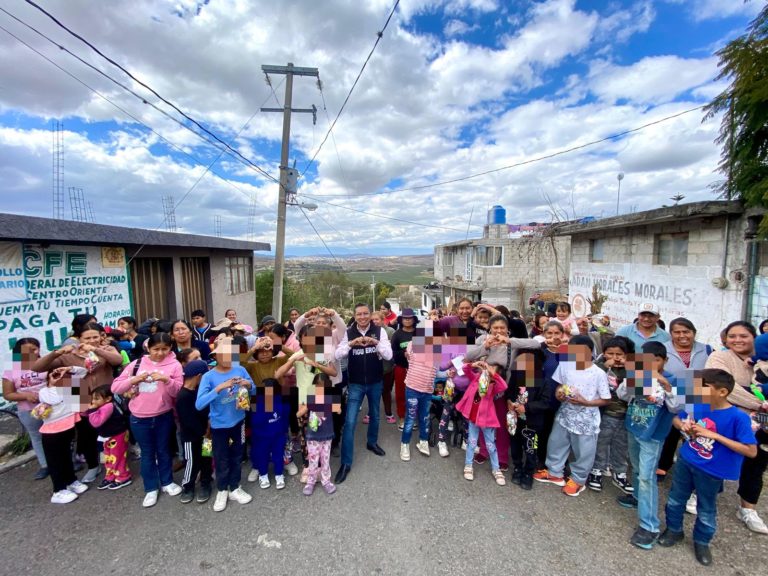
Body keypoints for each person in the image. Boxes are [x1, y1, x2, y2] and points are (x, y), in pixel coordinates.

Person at [658, 369, 758, 566]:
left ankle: (702, 541)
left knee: (706, 507)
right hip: (687, 460)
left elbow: (751, 451)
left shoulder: (738, 417)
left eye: (703, 386)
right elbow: (677, 418)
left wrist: (716, 436)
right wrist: (683, 426)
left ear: (722, 392)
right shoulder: (698, 404)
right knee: (676, 499)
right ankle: (673, 530)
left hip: (713, 470)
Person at [33, 322, 123, 484]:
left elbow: (117, 360)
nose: (92, 340)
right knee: (87, 435)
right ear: (78, 339)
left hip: (105, 397)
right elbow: (37, 368)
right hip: (79, 398)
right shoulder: (69, 354)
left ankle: (117, 462)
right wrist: (57, 353)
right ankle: (93, 466)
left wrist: (95, 349)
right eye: (87, 338)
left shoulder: (106, 349)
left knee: (113, 431)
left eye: (95, 337)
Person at [615, 342, 680, 549]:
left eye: (656, 361)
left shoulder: (673, 380)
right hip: (634, 427)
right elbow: (622, 395)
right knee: (634, 465)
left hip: (653, 435)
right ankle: (636, 497)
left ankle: (649, 525)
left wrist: (666, 386)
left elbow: (676, 407)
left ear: (664, 361)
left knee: (646, 476)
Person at [706, 321, 768, 535]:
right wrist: (761, 403)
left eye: (743, 336)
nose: (737, 340)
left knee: (756, 463)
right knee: (715, 456)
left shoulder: (761, 359)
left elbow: (732, 389)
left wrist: (744, 392)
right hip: (727, 418)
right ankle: (702, 496)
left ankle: (748, 509)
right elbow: (722, 388)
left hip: (763, 424)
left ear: (754, 337)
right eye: (732, 336)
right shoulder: (719, 358)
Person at [111, 332, 184, 507]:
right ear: (148, 348)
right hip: (139, 417)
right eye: (156, 349)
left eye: (164, 349)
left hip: (164, 414)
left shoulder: (174, 365)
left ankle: (167, 482)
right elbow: (116, 387)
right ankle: (151, 487)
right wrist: (134, 379)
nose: (160, 353)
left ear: (170, 348)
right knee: (147, 453)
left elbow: (179, 391)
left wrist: (166, 380)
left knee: (164, 450)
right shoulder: (136, 364)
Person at [534, 335, 611, 497]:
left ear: (590, 352)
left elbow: (606, 399)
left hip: (586, 420)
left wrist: (585, 402)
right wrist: (559, 395)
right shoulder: (566, 365)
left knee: (584, 450)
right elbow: (559, 386)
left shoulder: (598, 373)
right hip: (565, 414)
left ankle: (578, 479)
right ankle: (555, 472)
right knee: (556, 442)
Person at [465, 314, 540, 470]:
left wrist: (510, 341)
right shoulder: (482, 340)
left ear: (507, 329)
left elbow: (535, 343)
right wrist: (485, 346)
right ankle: (484, 451)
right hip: (483, 386)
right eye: (495, 328)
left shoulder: (512, 343)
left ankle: (502, 455)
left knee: (500, 423)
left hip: (502, 387)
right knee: (481, 420)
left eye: (502, 328)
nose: (498, 331)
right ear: (489, 328)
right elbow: (468, 357)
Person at [334, 303, 393, 484]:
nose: (362, 317)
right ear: (355, 315)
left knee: (375, 414)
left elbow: (389, 355)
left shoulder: (379, 331)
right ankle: (345, 463)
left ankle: (372, 442)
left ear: (370, 314)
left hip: (375, 381)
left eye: (365, 313)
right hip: (356, 383)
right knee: (350, 421)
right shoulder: (349, 332)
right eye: (359, 314)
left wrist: (376, 343)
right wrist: (351, 344)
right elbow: (338, 355)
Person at [195, 337, 255, 512]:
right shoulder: (208, 376)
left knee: (237, 456)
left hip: (239, 422)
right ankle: (222, 489)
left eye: (231, 354)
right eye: (224, 354)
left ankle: (235, 487)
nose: (228, 357)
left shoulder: (241, 369)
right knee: (221, 458)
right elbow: (199, 404)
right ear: (216, 356)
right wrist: (219, 388)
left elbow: (254, 389)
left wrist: (247, 384)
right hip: (219, 426)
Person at [275, 324, 338, 483]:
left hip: (321, 401)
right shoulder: (297, 354)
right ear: (301, 339)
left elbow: (334, 373)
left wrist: (316, 364)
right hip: (304, 403)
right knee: (306, 436)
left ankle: (322, 466)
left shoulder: (322, 354)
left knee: (322, 433)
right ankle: (307, 465)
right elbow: (278, 374)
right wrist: (293, 361)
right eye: (305, 337)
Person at [657, 318, 712, 482]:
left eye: (686, 331)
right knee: (669, 433)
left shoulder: (707, 350)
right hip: (671, 396)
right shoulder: (663, 350)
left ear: (693, 332)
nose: (682, 335)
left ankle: (695, 468)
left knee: (696, 434)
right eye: (677, 332)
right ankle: (663, 465)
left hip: (699, 398)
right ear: (671, 334)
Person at [399, 322, 452, 461]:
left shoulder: (437, 352)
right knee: (410, 419)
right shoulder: (413, 345)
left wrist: (448, 373)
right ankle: (404, 444)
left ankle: (423, 441)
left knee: (425, 417)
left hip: (427, 391)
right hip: (412, 388)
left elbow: (436, 373)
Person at [37, 365, 90, 503]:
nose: (61, 377)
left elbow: (84, 371)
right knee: (55, 461)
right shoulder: (44, 392)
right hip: (52, 431)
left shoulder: (71, 387)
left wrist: (69, 369)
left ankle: (71, 481)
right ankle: (58, 490)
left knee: (67, 457)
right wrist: (53, 382)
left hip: (68, 426)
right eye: (55, 374)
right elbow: (54, 399)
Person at [588, 337, 632, 494]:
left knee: (622, 444)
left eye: (619, 354)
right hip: (606, 412)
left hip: (626, 414)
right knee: (602, 442)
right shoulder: (598, 366)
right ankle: (597, 470)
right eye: (610, 353)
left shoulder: (632, 368)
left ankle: (619, 472)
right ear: (604, 353)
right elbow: (589, 378)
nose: (615, 357)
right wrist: (603, 366)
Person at [2, 338, 48, 479]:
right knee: (37, 436)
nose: (34, 352)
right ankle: (45, 465)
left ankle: (69, 460)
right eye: (29, 350)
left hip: (51, 408)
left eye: (35, 349)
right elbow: (8, 394)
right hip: (28, 410)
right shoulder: (11, 371)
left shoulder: (47, 364)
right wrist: (26, 396)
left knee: (59, 435)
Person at [456, 359, 508, 485]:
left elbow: (504, 386)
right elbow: (465, 369)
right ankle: (468, 465)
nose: (488, 369)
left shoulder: (494, 384)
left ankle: (496, 469)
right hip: (473, 417)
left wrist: (493, 374)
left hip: (487, 419)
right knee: (472, 442)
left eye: (492, 368)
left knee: (491, 445)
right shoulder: (476, 378)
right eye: (488, 366)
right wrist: (473, 365)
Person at [506, 349, 551, 490]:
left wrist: (527, 407)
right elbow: (509, 393)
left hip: (532, 423)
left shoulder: (543, 381)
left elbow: (546, 402)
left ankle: (528, 472)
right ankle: (518, 468)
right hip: (515, 420)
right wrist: (509, 402)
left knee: (530, 447)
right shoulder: (516, 377)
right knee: (515, 446)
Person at [176, 359, 213, 504]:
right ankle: (188, 486)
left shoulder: (199, 391)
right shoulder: (183, 396)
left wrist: (208, 431)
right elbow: (187, 420)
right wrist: (204, 432)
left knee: (207, 459)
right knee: (192, 461)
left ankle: (206, 482)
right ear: (199, 376)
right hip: (191, 436)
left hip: (207, 434)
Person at [299, 373, 341, 495]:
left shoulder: (331, 397)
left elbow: (338, 410)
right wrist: (306, 406)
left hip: (327, 434)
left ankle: (326, 481)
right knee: (313, 459)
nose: (320, 389)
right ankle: (310, 481)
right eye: (317, 386)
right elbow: (299, 413)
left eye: (323, 386)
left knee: (325, 459)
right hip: (313, 436)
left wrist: (330, 404)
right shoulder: (310, 397)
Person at [86, 384, 131, 490]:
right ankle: (111, 475)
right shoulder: (102, 406)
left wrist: (92, 411)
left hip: (117, 435)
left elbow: (96, 422)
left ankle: (123, 476)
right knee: (109, 457)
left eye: (97, 399)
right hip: (107, 436)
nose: (93, 401)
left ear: (108, 399)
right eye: (92, 398)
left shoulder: (108, 406)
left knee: (118, 457)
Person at [391, 308, 417, 430]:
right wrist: (403, 354)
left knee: (415, 394)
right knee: (400, 393)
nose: (407, 320)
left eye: (410, 318)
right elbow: (393, 353)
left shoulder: (419, 333)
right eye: (405, 318)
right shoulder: (397, 335)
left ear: (414, 319)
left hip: (417, 368)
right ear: (401, 320)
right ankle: (402, 417)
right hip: (401, 368)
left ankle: (413, 417)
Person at [372, 311, 396, 424]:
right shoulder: (369, 331)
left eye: (377, 319)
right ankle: (371, 413)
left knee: (386, 391)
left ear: (383, 320)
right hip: (373, 367)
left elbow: (392, 348)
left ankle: (388, 412)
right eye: (373, 320)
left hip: (387, 367)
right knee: (373, 392)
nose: (375, 322)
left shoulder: (390, 331)